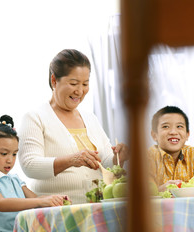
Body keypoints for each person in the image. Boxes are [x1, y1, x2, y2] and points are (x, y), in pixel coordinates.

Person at [18, 49, 128, 204]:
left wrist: (119, 158)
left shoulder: (90, 118)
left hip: (95, 207)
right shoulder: (35, 117)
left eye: (85, 84)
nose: (80, 91)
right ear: (54, 81)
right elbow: (30, 166)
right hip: (56, 210)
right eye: (73, 83)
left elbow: (105, 163)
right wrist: (71, 160)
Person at [0, 115, 67, 232]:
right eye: (4, 154)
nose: (10, 160)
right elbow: (0, 203)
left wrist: (54, 199)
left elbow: (35, 199)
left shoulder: (14, 179)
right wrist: (41, 201)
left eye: (14, 154)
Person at [148, 106, 194, 191]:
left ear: (187, 134)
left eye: (179, 126)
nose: (173, 132)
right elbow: (142, 192)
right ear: (154, 135)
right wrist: (161, 190)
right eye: (165, 126)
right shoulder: (148, 157)